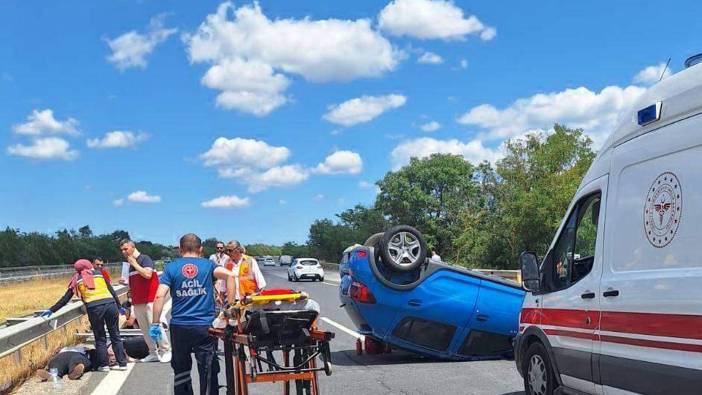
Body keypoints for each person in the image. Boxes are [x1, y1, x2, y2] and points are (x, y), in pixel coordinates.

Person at [151, 233, 236, 395]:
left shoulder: (171, 268)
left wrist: (155, 322)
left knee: (181, 369)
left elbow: (159, 295)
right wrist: (229, 308)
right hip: (204, 326)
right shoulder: (208, 265)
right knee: (208, 369)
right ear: (201, 249)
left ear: (180, 249)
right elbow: (230, 276)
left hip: (179, 326)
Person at [41, 259, 127, 372]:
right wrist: (119, 306)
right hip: (110, 305)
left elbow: (66, 299)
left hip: (95, 308)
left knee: (100, 337)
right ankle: (122, 364)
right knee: (115, 334)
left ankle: (104, 365)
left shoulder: (76, 279)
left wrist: (52, 310)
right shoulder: (99, 274)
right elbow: (111, 290)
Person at [119, 239, 171, 363]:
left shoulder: (144, 259)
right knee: (145, 329)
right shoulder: (129, 265)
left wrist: (135, 263)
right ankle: (152, 352)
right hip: (138, 301)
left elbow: (147, 274)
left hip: (150, 299)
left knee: (155, 326)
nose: (123, 252)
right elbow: (136, 281)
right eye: (122, 250)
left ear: (133, 247)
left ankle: (165, 350)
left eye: (126, 249)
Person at [208, 241, 230, 306]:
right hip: (215, 280)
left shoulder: (227, 257)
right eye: (218, 248)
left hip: (224, 280)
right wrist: (218, 259)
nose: (219, 249)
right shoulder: (212, 257)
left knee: (224, 299)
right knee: (216, 299)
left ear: (224, 248)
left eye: (221, 248)